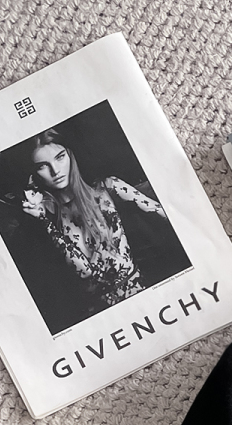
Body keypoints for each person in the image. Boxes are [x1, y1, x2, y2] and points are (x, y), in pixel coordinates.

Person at [21, 129, 172, 312]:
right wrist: (44, 221)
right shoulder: (47, 216)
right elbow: (85, 271)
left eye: (60, 157)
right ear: (34, 174)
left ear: (70, 155)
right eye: (42, 166)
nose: (55, 170)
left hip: (144, 296)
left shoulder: (107, 188)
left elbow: (165, 213)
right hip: (100, 313)